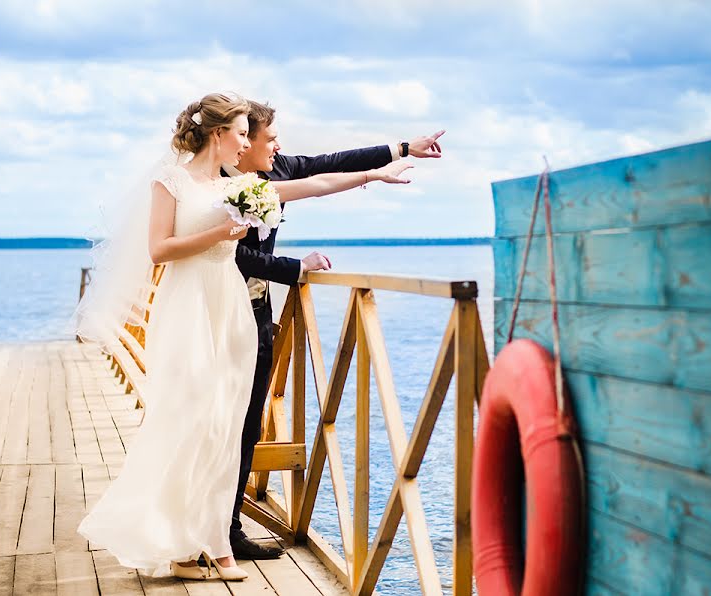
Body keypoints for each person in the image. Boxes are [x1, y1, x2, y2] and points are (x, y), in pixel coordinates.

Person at [74, 92, 414, 581]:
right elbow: (158, 250)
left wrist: (374, 174)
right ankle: (175, 539)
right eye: (240, 134)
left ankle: (208, 543)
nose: (247, 143)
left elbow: (316, 182)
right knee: (192, 418)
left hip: (231, 307)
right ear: (220, 134)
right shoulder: (172, 181)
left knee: (226, 424)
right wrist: (222, 235)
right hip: (188, 305)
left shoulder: (242, 186)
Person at [224, 99, 445, 560]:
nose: (277, 146)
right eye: (266, 138)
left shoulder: (275, 169)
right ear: (239, 143)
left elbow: (329, 166)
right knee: (217, 425)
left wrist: (401, 149)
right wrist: (294, 266)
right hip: (217, 314)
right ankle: (207, 525)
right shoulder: (217, 184)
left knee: (247, 425)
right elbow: (236, 256)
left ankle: (228, 528)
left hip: (257, 314)